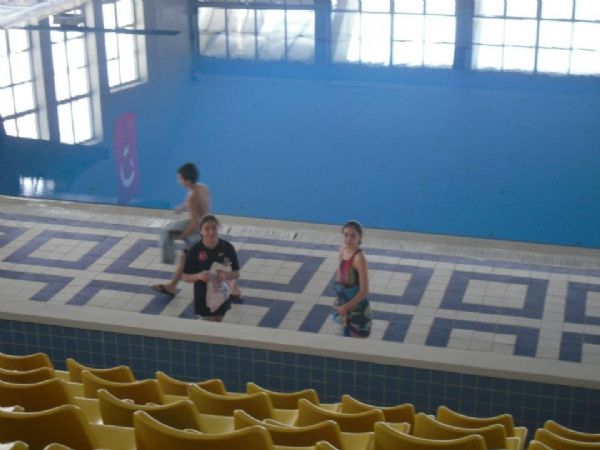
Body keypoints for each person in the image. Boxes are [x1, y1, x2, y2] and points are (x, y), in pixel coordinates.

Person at [153, 162, 210, 296]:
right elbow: (196, 206)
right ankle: (172, 286)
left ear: (187, 180)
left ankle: (231, 289)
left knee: (199, 261)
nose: (178, 180)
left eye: (180, 178)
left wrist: (183, 236)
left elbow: (194, 223)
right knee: (185, 258)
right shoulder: (202, 188)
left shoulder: (192, 197)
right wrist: (182, 207)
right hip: (206, 224)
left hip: (199, 231)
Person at [182, 215, 240, 322]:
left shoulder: (227, 248)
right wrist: (199, 276)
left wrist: (225, 275)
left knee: (218, 320)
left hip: (222, 295)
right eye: (207, 228)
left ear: (219, 228)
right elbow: (185, 277)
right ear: (201, 231)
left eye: (214, 228)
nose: (211, 232)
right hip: (203, 297)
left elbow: (236, 273)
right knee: (208, 325)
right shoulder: (195, 251)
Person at [331, 220, 372, 338]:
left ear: (360, 237)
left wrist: (346, 307)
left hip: (357, 312)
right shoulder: (342, 250)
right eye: (346, 235)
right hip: (344, 308)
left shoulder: (359, 258)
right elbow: (342, 278)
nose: (348, 239)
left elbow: (364, 291)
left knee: (354, 345)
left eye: (353, 235)